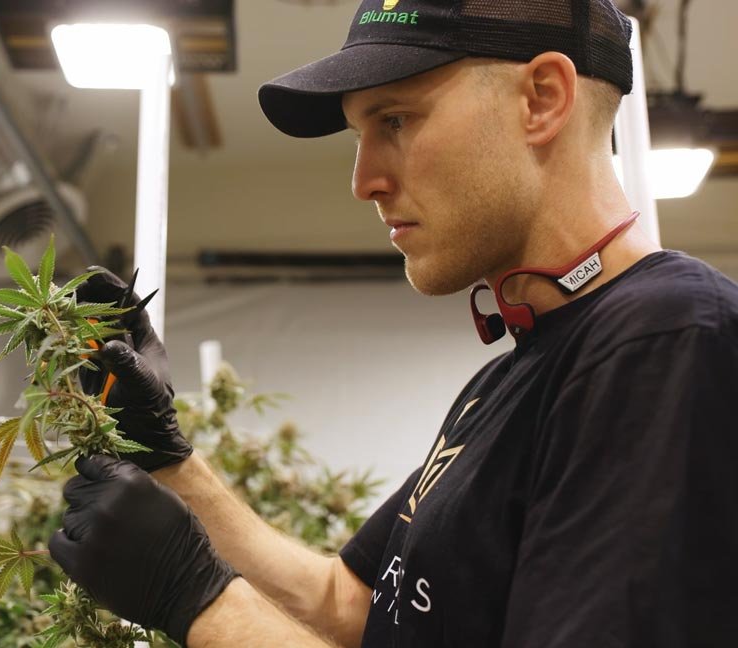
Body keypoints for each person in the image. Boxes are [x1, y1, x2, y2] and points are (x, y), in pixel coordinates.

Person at [48, 0, 738, 646]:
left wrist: (203, 605)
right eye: (360, 133)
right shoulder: (509, 381)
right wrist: (165, 457)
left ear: (542, 99)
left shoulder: (665, 340)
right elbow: (349, 604)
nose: (363, 179)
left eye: (396, 121)